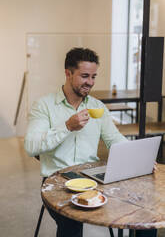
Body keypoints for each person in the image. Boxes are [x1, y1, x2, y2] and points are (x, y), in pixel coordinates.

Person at [24, 47, 157, 237]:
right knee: (71, 223)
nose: (90, 82)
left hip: (93, 177)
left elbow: (115, 139)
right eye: (85, 76)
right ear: (68, 73)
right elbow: (31, 146)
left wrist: (140, 158)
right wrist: (67, 127)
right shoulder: (43, 106)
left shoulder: (97, 107)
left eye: (94, 76)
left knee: (145, 214)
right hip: (57, 183)